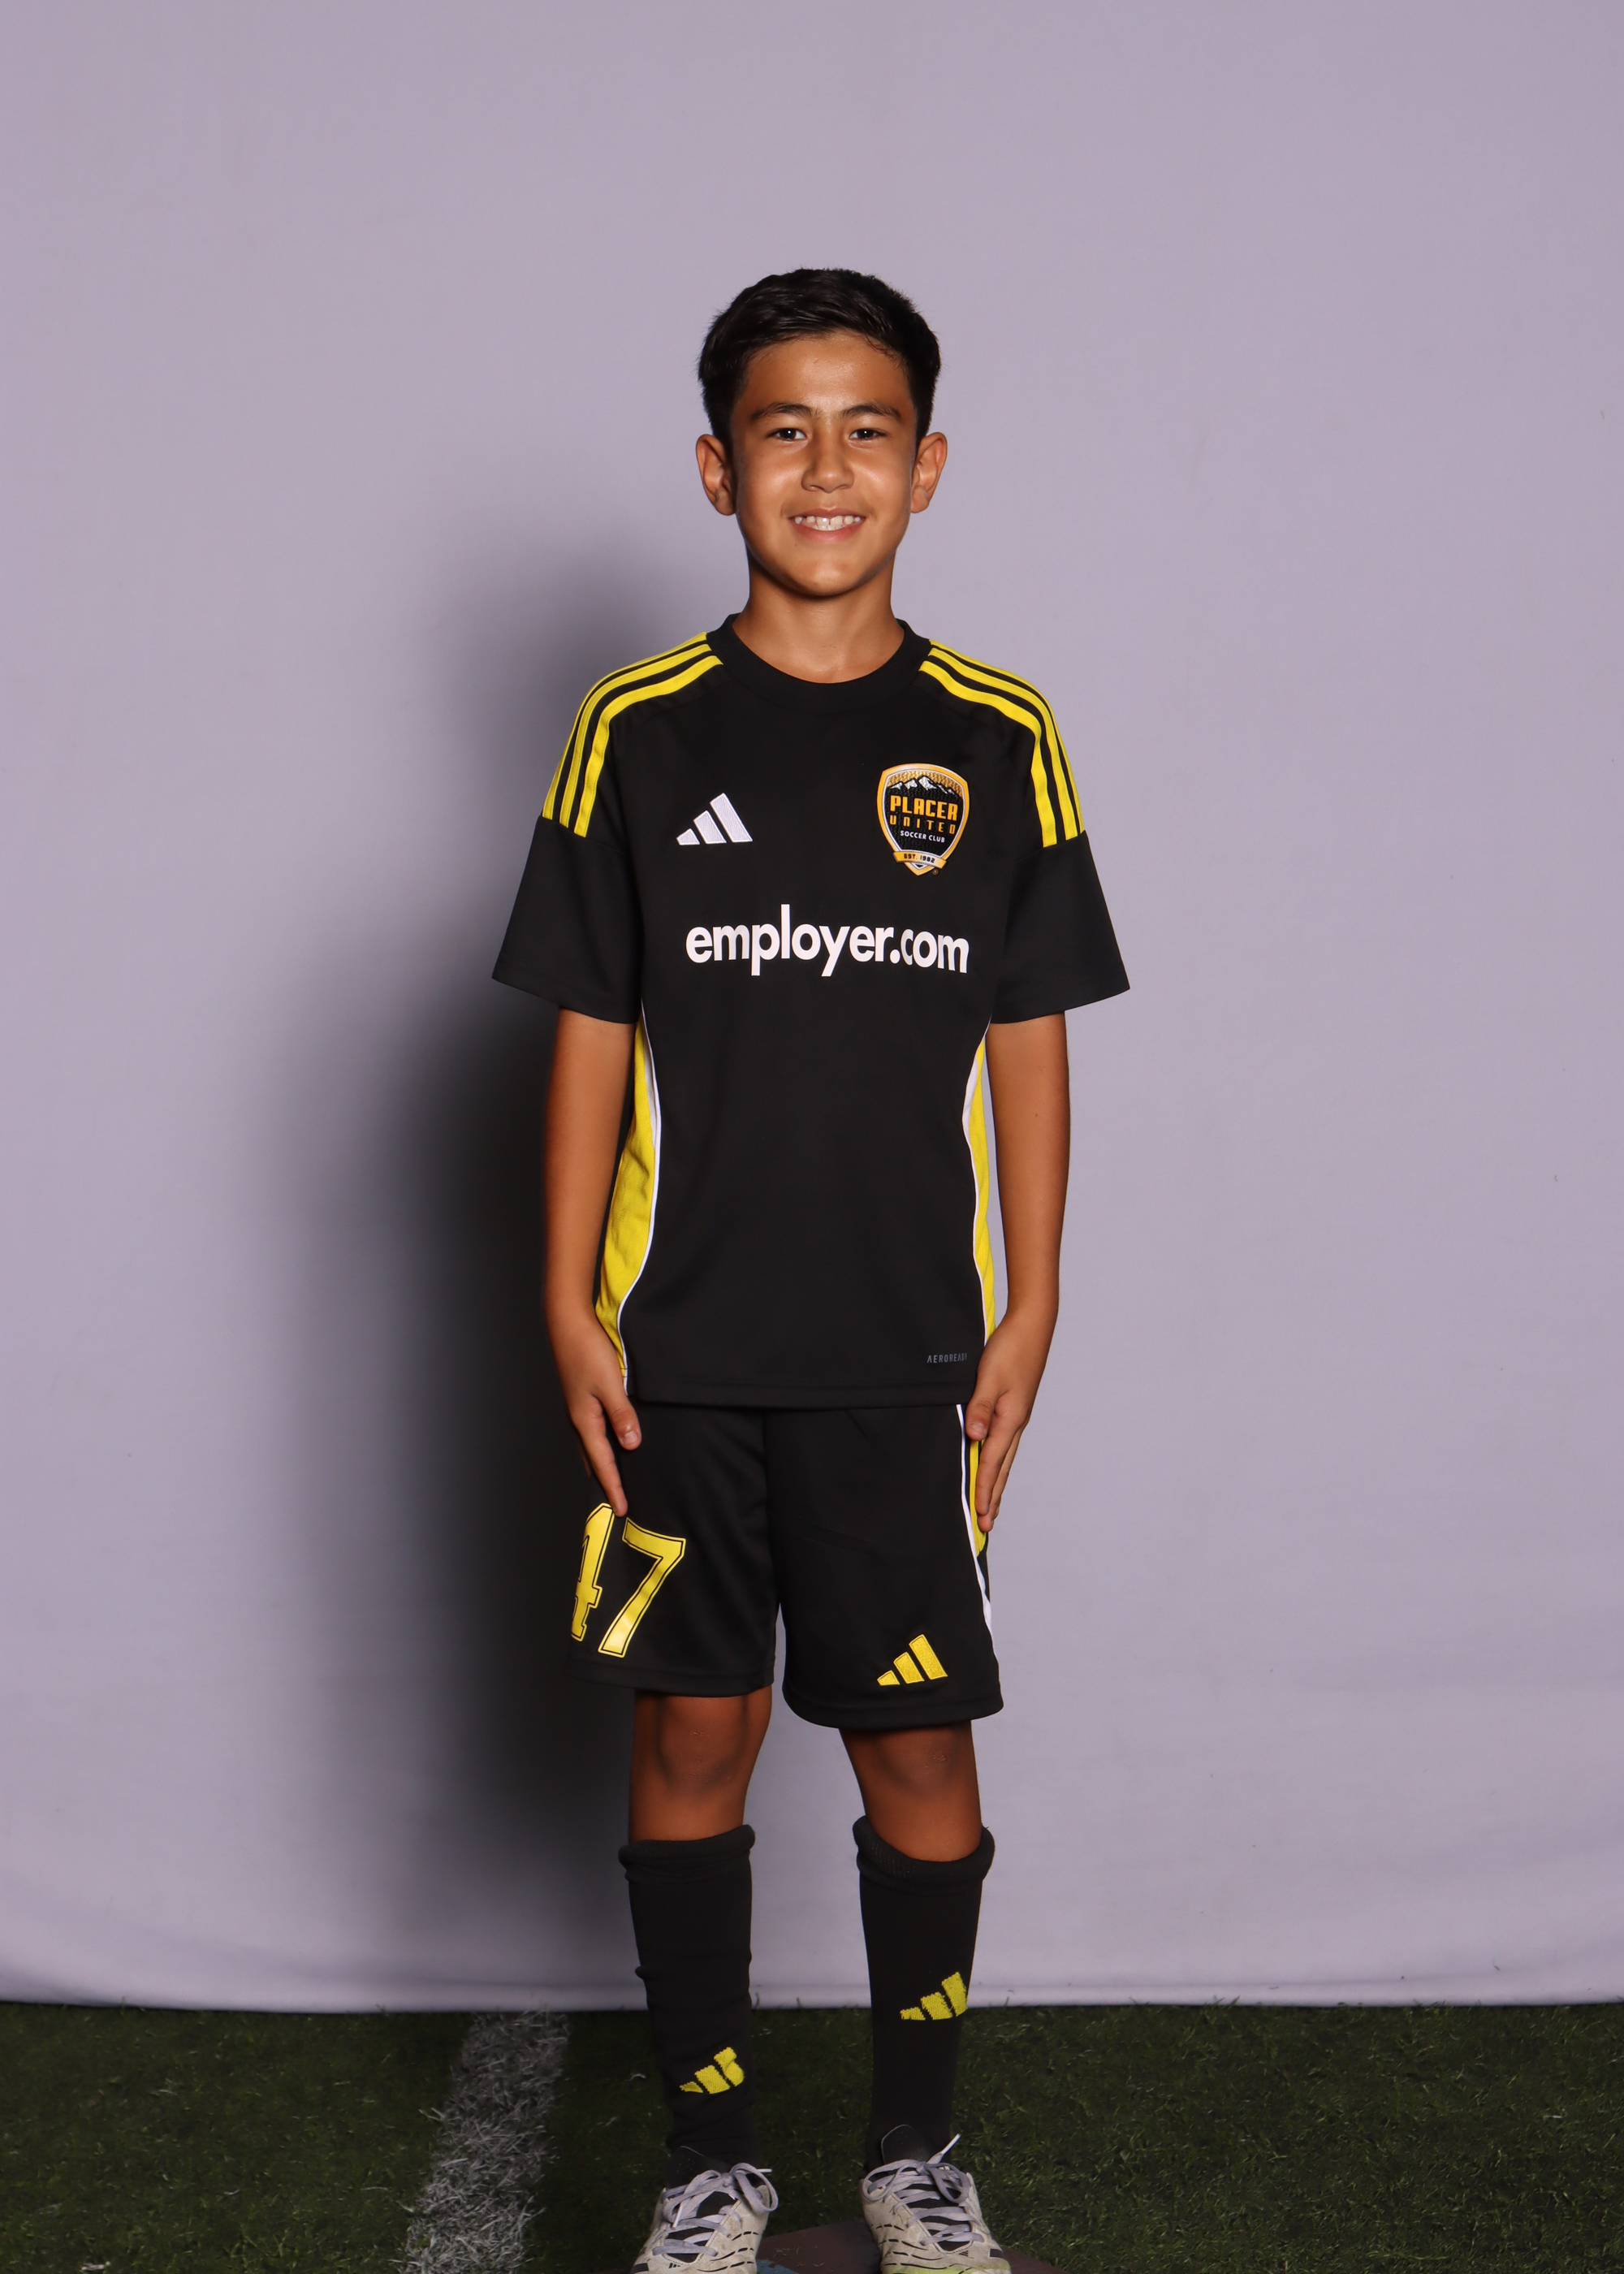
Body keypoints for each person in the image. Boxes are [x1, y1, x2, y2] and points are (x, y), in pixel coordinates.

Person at [495, 268, 1127, 2274]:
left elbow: (1029, 1033)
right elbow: (589, 1024)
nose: (826, 466)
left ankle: (917, 2155)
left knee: (916, 1742)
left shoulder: (1000, 734)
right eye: (784, 429)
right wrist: (564, 1296)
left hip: (904, 1362)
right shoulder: (633, 729)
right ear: (718, 468)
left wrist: (1033, 1297)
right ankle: (709, 2163)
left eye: (868, 430)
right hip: (674, 1362)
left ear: (927, 468)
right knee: (688, 1733)